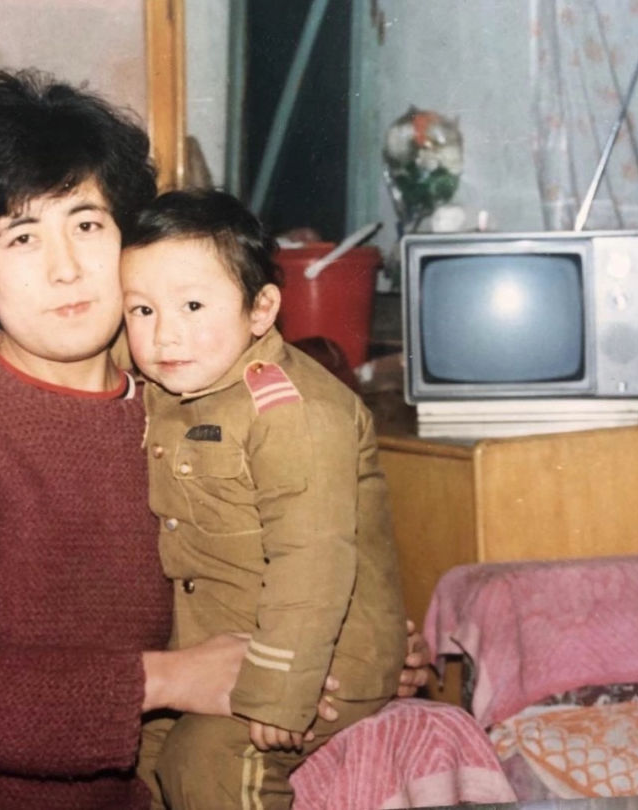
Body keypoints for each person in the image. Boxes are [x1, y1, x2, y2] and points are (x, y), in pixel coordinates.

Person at [0, 70, 428, 810]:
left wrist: (363, 652)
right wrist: (168, 680)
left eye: (87, 225)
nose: (66, 269)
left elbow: (265, 573)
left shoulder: (190, 409)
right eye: (23, 237)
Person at [121, 189, 406, 810]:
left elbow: (313, 561)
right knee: (133, 763)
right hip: (214, 646)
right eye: (141, 309)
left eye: (193, 305)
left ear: (261, 310)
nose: (165, 333)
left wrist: (279, 691)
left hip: (320, 655)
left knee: (207, 763)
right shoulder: (174, 378)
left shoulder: (292, 413)